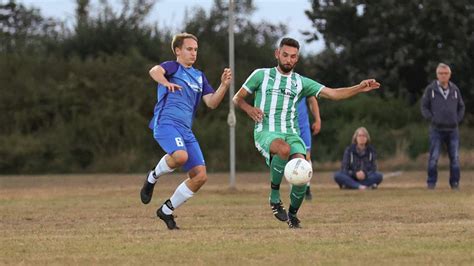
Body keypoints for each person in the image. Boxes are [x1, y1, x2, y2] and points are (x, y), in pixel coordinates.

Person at [232, 37, 380, 229]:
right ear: (277, 54)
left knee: (302, 171)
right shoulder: (261, 75)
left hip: (292, 134)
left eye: (293, 57)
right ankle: (275, 198)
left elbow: (333, 93)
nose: (288, 60)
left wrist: (359, 88)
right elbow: (237, 98)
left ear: (297, 59)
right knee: (283, 150)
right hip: (266, 131)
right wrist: (248, 108)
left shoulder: (301, 82)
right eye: (285, 55)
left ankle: (293, 215)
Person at [140, 33, 232, 230]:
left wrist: (223, 86)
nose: (193, 53)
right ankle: (152, 177)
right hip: (165, 123)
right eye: (189, 49)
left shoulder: (199, 77)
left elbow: (212, 103)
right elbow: (154, 70)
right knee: (181, 156)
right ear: (178, 51)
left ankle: (166, 210)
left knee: (200, 176)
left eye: (196, 50)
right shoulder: (173, 67)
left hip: (185, 130)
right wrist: (165, 83)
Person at [421, 63, 465, 190]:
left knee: (455, 158)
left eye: (446, 73)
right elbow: (424, 106)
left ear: (449, 75)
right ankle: (431, 183)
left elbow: (461, 106)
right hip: (436, 129)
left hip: (453, 129)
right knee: (434, 157)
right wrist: (431, 118)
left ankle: (455, 184)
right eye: (441, 73)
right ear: (437, 75)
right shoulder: (431, 90)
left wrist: (457, 119)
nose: (443, 76)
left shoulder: (455, 90)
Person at [297, 96, 321, 200]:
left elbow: (312, 99)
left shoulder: (302, 81)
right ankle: (294, 188)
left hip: (303, 126)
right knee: (288, 157)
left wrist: (317, 120)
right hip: (287, 127)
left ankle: (307, 188)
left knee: (306, 157)